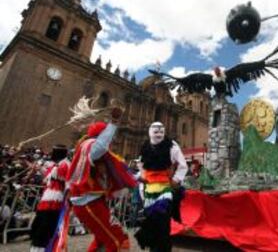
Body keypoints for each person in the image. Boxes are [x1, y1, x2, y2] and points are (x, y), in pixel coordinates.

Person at [66, 107, 137, 252]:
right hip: (88, 203)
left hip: (96, 201)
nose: (111, 141)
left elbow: (122, 171)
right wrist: (114, 123)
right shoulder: (89, 146)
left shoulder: (101, 153)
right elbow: (100, 146)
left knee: (102, 240)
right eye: (108, 137)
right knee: (117, 239)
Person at [135, 121, 188, 252]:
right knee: (151, 227)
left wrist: (176, 179)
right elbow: (142, 167)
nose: (158, 133)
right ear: (150, 132)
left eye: (160, 131)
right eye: (155, 131)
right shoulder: (145, 147)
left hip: (164, 192)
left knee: (163, 226)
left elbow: (183, 165)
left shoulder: (172, 146)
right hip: (148, 194)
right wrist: (140, 181)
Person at [30, 145, 70, 252]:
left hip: (55, 203)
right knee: (36, 227)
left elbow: (68, 184)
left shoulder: (65, 165)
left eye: (54, 152)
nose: (52, 154)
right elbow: (49, 176)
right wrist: (38, 169)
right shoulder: (55, 165)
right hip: (45, 201)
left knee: (45, 229)